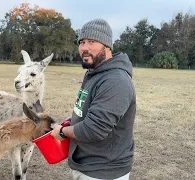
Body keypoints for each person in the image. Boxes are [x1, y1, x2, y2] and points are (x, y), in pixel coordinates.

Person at [51, 19, 136, 180]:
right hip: (88, 164)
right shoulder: (95, 72)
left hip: (103, 170)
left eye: (92, 42)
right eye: (81, 42)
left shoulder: (115, 80)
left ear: (107, 46)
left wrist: (62, 132)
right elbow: (91, 110)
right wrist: (76, 119)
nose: (85, 48)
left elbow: (94, 129)